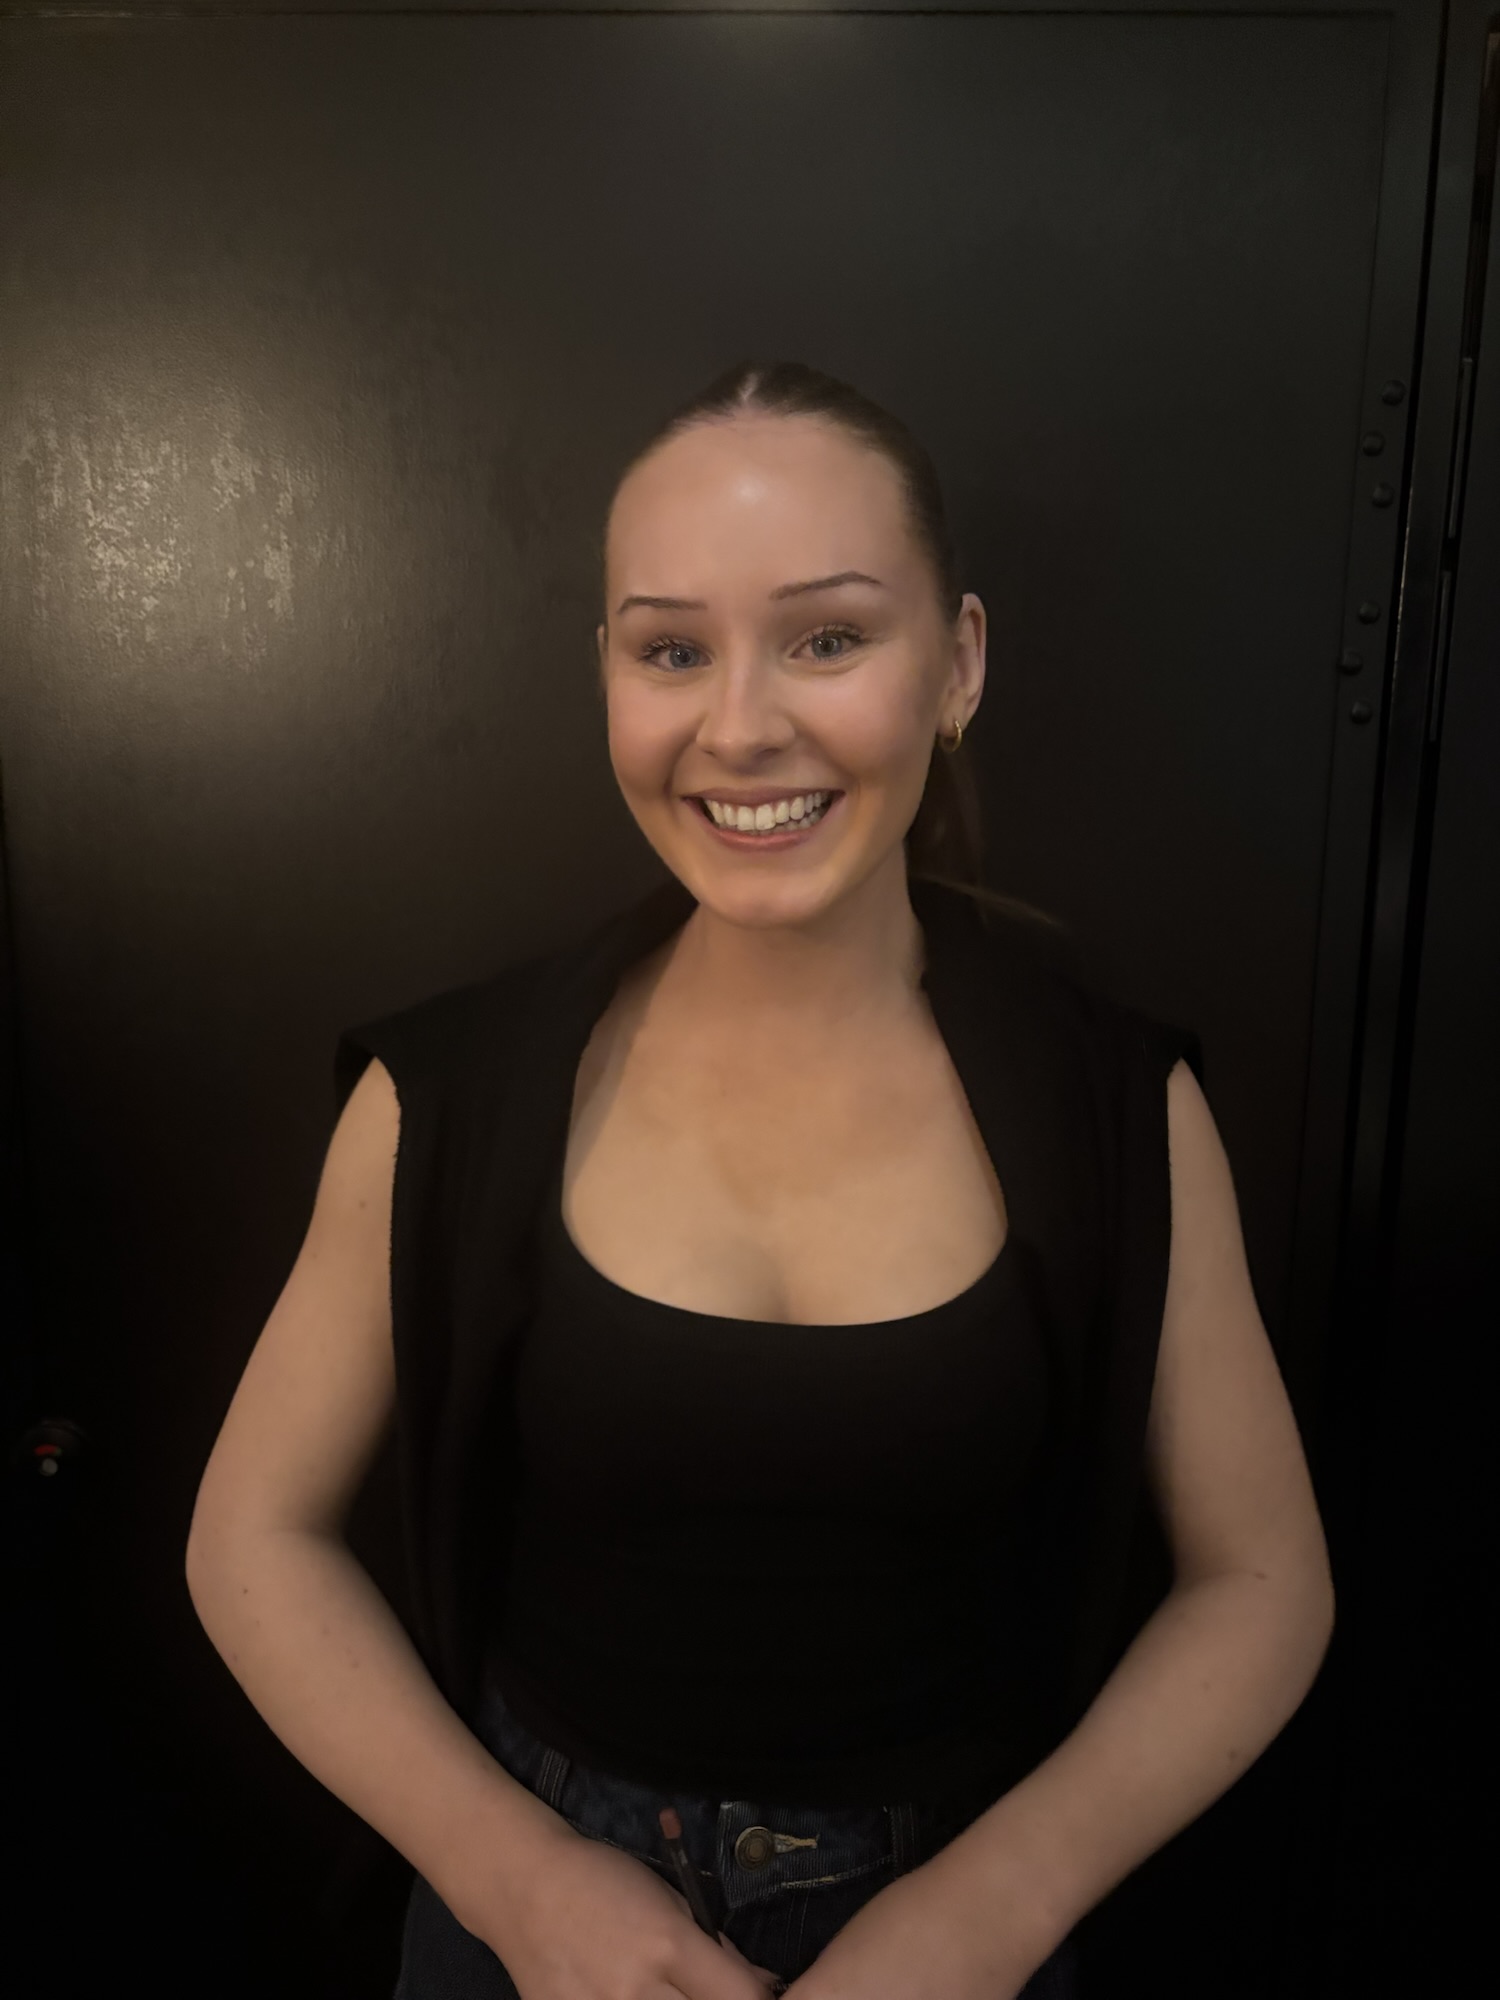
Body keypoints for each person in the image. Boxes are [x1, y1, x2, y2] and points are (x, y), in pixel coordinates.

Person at [187, 359, 1336, 1999]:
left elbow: (1265, 1581)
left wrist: (995, 1909)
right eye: (671, 651)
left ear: (959, 662)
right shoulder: (449, 1096)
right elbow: (249, 1536)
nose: (738, 727)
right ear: (606, 671)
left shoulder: (1120, 1107)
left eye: (827, 637)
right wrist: (520, 1885)